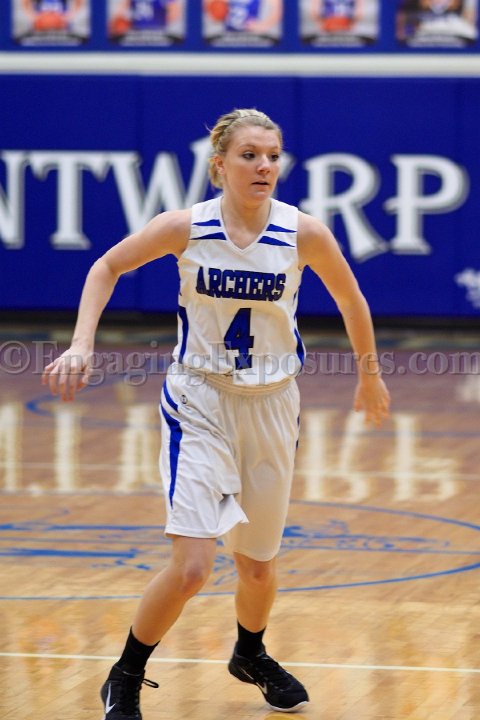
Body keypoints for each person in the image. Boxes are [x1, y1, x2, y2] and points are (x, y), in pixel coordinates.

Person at [42, 108, 391, 718]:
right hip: (199, 399)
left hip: (274, 403)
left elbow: (350, 298)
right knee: (193, 567)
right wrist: (81, 342)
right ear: (220, 165)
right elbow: (106, 267)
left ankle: (249, 654)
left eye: (273, 156)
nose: (264, 166)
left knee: (256, 567)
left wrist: (370, 374)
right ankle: (125, 675)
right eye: (250, 155)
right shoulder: (185, 226)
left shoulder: (303, 232)